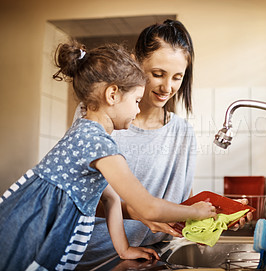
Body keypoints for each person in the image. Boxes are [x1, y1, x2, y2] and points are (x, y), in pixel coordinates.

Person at [0, 41, 217, 271]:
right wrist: (196, 211)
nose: (137, 110)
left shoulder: (86, 130)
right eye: (135, 101)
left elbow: (110, 199)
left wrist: (124, 249)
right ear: (113, 94)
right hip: (32, 231)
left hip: (37, 224)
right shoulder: (99, 144)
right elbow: (148, 208)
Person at [76, 19, 252, 269]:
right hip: (90, 255)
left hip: (149, 256)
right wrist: (134, 211)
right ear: (136, 62)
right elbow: (75, 197)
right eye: (158, 74)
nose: (167, 87)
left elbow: (182, 207)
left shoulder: (183, 133)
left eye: (177, 77)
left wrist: (220, 215)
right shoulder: (98, 115)